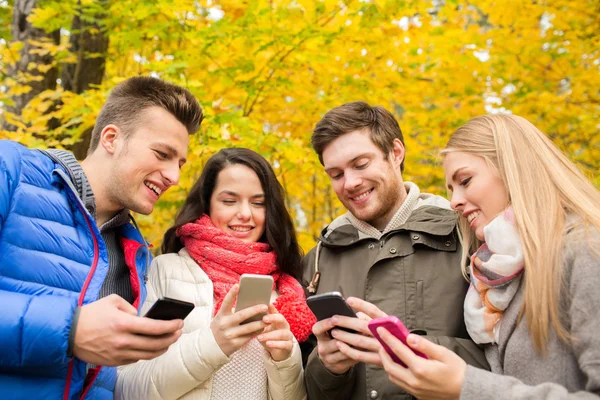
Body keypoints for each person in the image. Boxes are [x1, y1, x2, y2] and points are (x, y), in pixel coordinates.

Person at [0, 76, 204, 400]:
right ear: (111, 138)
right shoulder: (11, 171)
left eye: (179, 163)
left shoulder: (137, 258)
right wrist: (71, 329)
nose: (174, 177)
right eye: (162, 154)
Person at [375, 114, 600, 399]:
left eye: (465, 180)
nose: (454, 201)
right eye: (451, 189)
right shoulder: (497, 276)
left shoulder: (587, 250)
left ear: (513, 168)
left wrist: (466, 387)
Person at [301, 101, 488, 400]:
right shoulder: (317, 260)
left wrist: (402, 346)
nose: (350, 183)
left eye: (361, 164)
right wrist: (328, 367)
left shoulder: (469, 236)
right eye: (336, 174)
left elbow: (508, 361)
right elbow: (308, 387)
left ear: (396, 152)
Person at [117, 148, 313, 400]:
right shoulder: (165, 271)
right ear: (207, 204)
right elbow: (127, 388)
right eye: (229, 201)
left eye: (258, 203)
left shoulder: (285, 288)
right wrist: (212, 343)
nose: (245, 213)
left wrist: (286, 359)